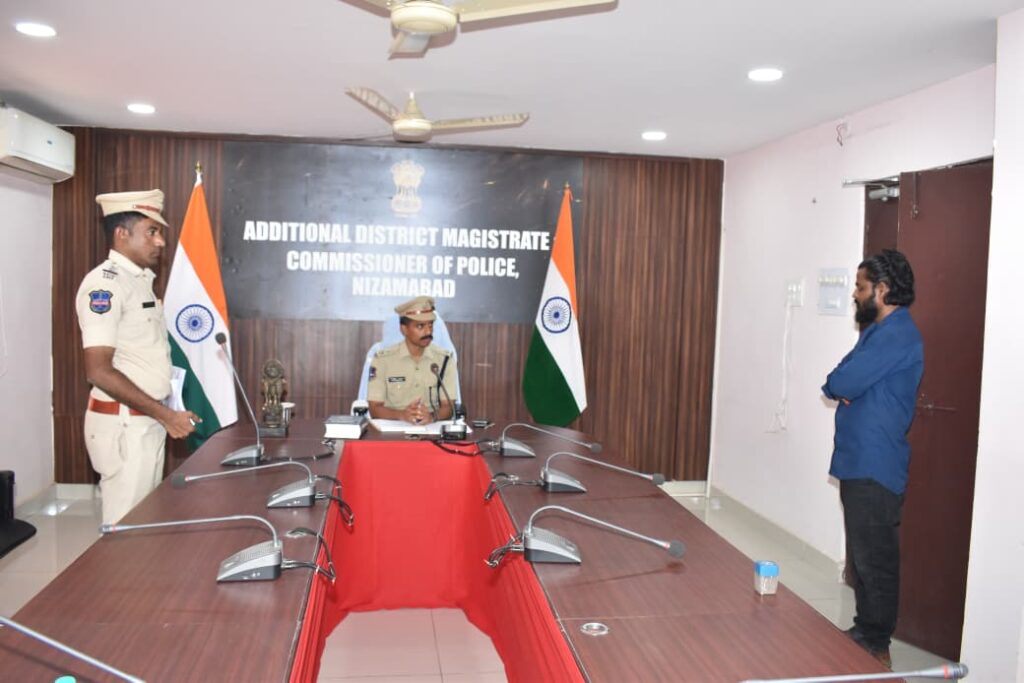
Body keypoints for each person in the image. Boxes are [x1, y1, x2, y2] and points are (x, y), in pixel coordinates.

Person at [822, 249, 924, 668]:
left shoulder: (897, 336)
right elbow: (835, 380)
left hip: (875, 464)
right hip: (858, 461)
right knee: (862, 556)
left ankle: (877, 643)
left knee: (875, 560)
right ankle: (864, 632)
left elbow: (846, 381)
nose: (855, 294)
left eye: (861, 287)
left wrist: (845, 386)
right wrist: (843, 385)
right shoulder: (876, 332)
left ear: (882, 290)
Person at [76, 189, 198, 525]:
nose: (160, 242)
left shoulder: (140, 282)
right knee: (125, 529)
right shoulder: (104, 286)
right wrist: (166, 415)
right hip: (125, 424)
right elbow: (98, 371)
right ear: (122, 233)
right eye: (152, 231)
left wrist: (164, 413)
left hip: (144, 421)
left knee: (141, 524)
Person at [367, 296, 458, 424]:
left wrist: (432, 416)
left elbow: (449, 407)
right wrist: (402, 415)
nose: (428, 332)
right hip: (393, 429)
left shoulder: (445, 359)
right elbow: (374, 409)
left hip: (431, 428)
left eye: (430, 325)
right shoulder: (382, 360)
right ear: (404, 329)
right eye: (420, 326)